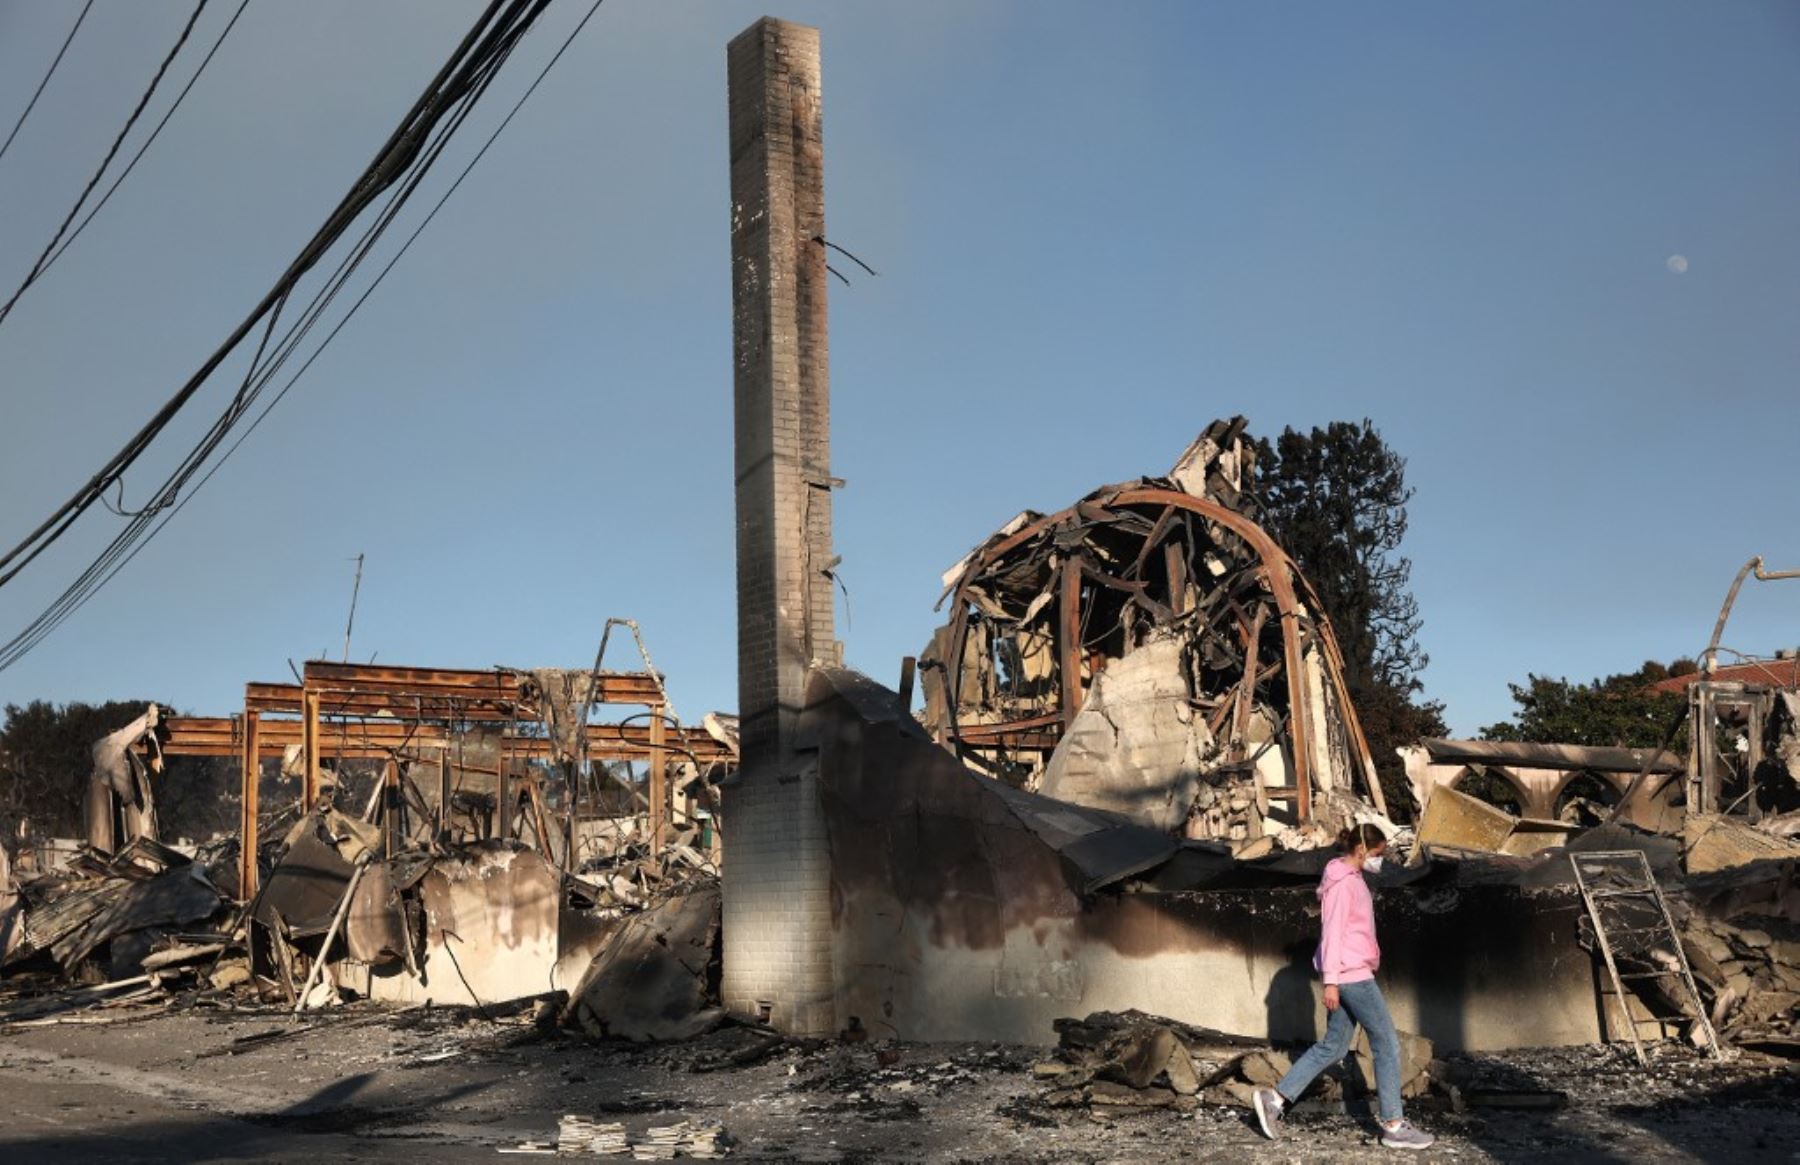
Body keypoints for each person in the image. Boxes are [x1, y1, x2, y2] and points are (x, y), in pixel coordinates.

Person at [1253, 823, 1434, 1151]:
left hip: (1352, 972)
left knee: (1333, 1047)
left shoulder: (1351, 879)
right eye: (1379, 854)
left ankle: (1275, 1099)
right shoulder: (1342, 885)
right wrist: (1331, 982)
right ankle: (1394, 1125)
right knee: (1387, 1044)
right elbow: (1333, 934)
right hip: (1352, 976)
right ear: (1363, 850)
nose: (1381, 860)